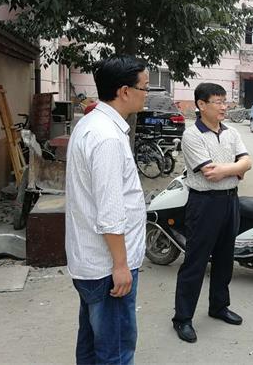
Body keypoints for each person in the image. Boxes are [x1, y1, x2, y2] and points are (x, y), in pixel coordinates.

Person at [65, 56, 149, 364]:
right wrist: (121, 266)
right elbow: (110, 211)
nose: (147, 93)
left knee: (91, 343)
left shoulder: (91, 124)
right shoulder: (107, 137)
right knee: (116, 352)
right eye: (145, 87)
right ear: (125, 91)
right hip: (106, 268)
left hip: (91, 261)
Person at [172, 83, 252, 343]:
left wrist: (232, 169)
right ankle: (182, 318)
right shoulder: (192, 135)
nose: (223, 106)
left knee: (225, 258)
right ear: (201, 105)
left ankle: (219, 306)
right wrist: (236, 169)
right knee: (195, 262)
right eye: (218, 102)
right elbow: (210, 173)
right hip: (204, 204)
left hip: (230, 202)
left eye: (225, 101)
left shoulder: (231, 132)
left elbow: (247, 161)